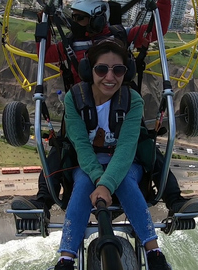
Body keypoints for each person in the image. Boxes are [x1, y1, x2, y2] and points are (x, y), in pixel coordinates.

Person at [12, 0, 198, 219]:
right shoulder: (69, 45)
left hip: (122, 109)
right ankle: (42, 202)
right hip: (82, 111)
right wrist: (44, 27)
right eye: (74, 17)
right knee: (59, 151)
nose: (74, 22)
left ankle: (175, 201)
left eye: (79, 18)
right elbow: (45, 55)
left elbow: (156, 31)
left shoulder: (121, 36)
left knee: (147, 148)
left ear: (97, 19)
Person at [52, 38, 170, 269]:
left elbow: (127, 147)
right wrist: (99, 179)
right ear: (90, 70)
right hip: (88, 162)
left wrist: (107, 183)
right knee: (84, 182)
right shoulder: (74, 99)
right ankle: (66, 258)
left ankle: (154, 252)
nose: (109, 77)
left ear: (125, 73)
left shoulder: (132, 101)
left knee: (125, 179)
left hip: (125, 162)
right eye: (101, 69)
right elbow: (81, 144)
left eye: (118, 70)